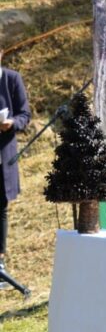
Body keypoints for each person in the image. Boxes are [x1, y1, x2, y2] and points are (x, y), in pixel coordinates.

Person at [0, 48, 31, 283]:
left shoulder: (12, 79)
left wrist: (12, 123)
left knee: (1, 209)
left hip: (3, 158)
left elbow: (24, 114)